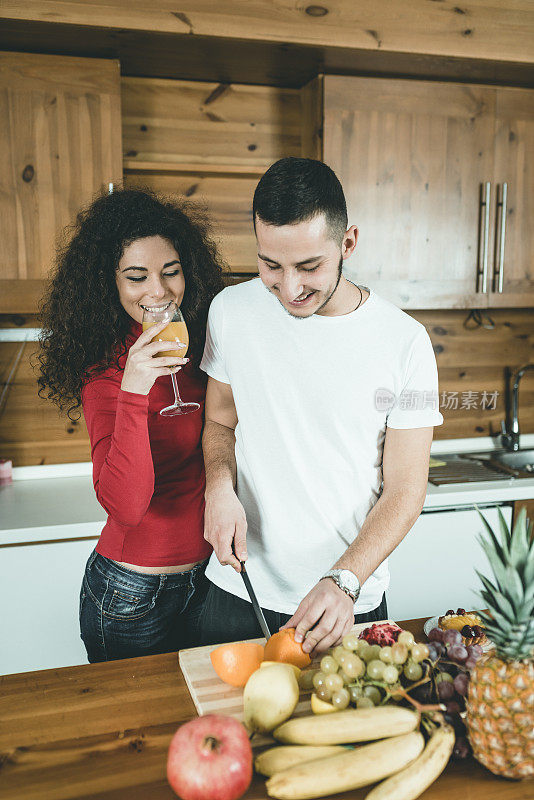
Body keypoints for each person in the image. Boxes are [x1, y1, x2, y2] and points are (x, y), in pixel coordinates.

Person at [199, 157, 443, 654]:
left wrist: (346, 579)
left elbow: (406, 487)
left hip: (346, 602)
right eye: (271, 265)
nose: (289, 289)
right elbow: (220, 420)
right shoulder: (230, 313)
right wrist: (219, 488)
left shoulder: (407, 343)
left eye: (309, 266)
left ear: (347, 243)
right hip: (235, 591)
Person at [38, 188, 225, 661]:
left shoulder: (201, 347)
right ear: (112, 285)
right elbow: (126, 505)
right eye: (137, 277)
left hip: (209, 583)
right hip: (131, 596)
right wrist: (136, 389)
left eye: (171, 272)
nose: (158, 292)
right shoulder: (106, 374)